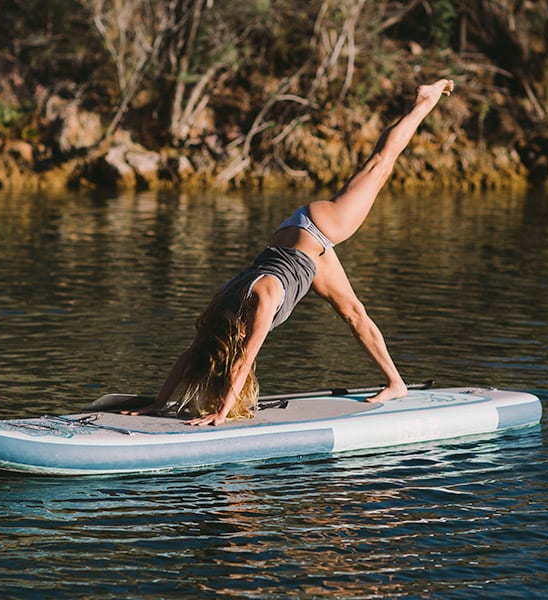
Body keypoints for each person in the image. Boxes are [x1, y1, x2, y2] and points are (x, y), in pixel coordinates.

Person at [128, 78, 454, 426]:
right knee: (353, 311)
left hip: (320, 228)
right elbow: (190, 356)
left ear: (235, 334)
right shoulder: (221, 309)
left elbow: (244, 360)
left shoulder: (261, 300)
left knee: (380, 163)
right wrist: (156, 404)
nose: (244, 338)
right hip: (301, 244)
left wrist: (221, 414)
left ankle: (424, 101)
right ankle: (396, 383)